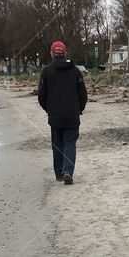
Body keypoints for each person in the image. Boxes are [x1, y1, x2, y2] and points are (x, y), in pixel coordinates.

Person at [37, 41, 87, 185]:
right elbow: (83, 94)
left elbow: (41, 96)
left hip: (55, 116)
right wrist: (79, 109)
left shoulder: (46, 71)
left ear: (52, 54)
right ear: (65, 53)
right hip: (72, 115)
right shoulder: (75, 71)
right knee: (70, 143)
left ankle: (59, 174)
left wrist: (49, 109)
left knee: (57, 145)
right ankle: (68, 171)